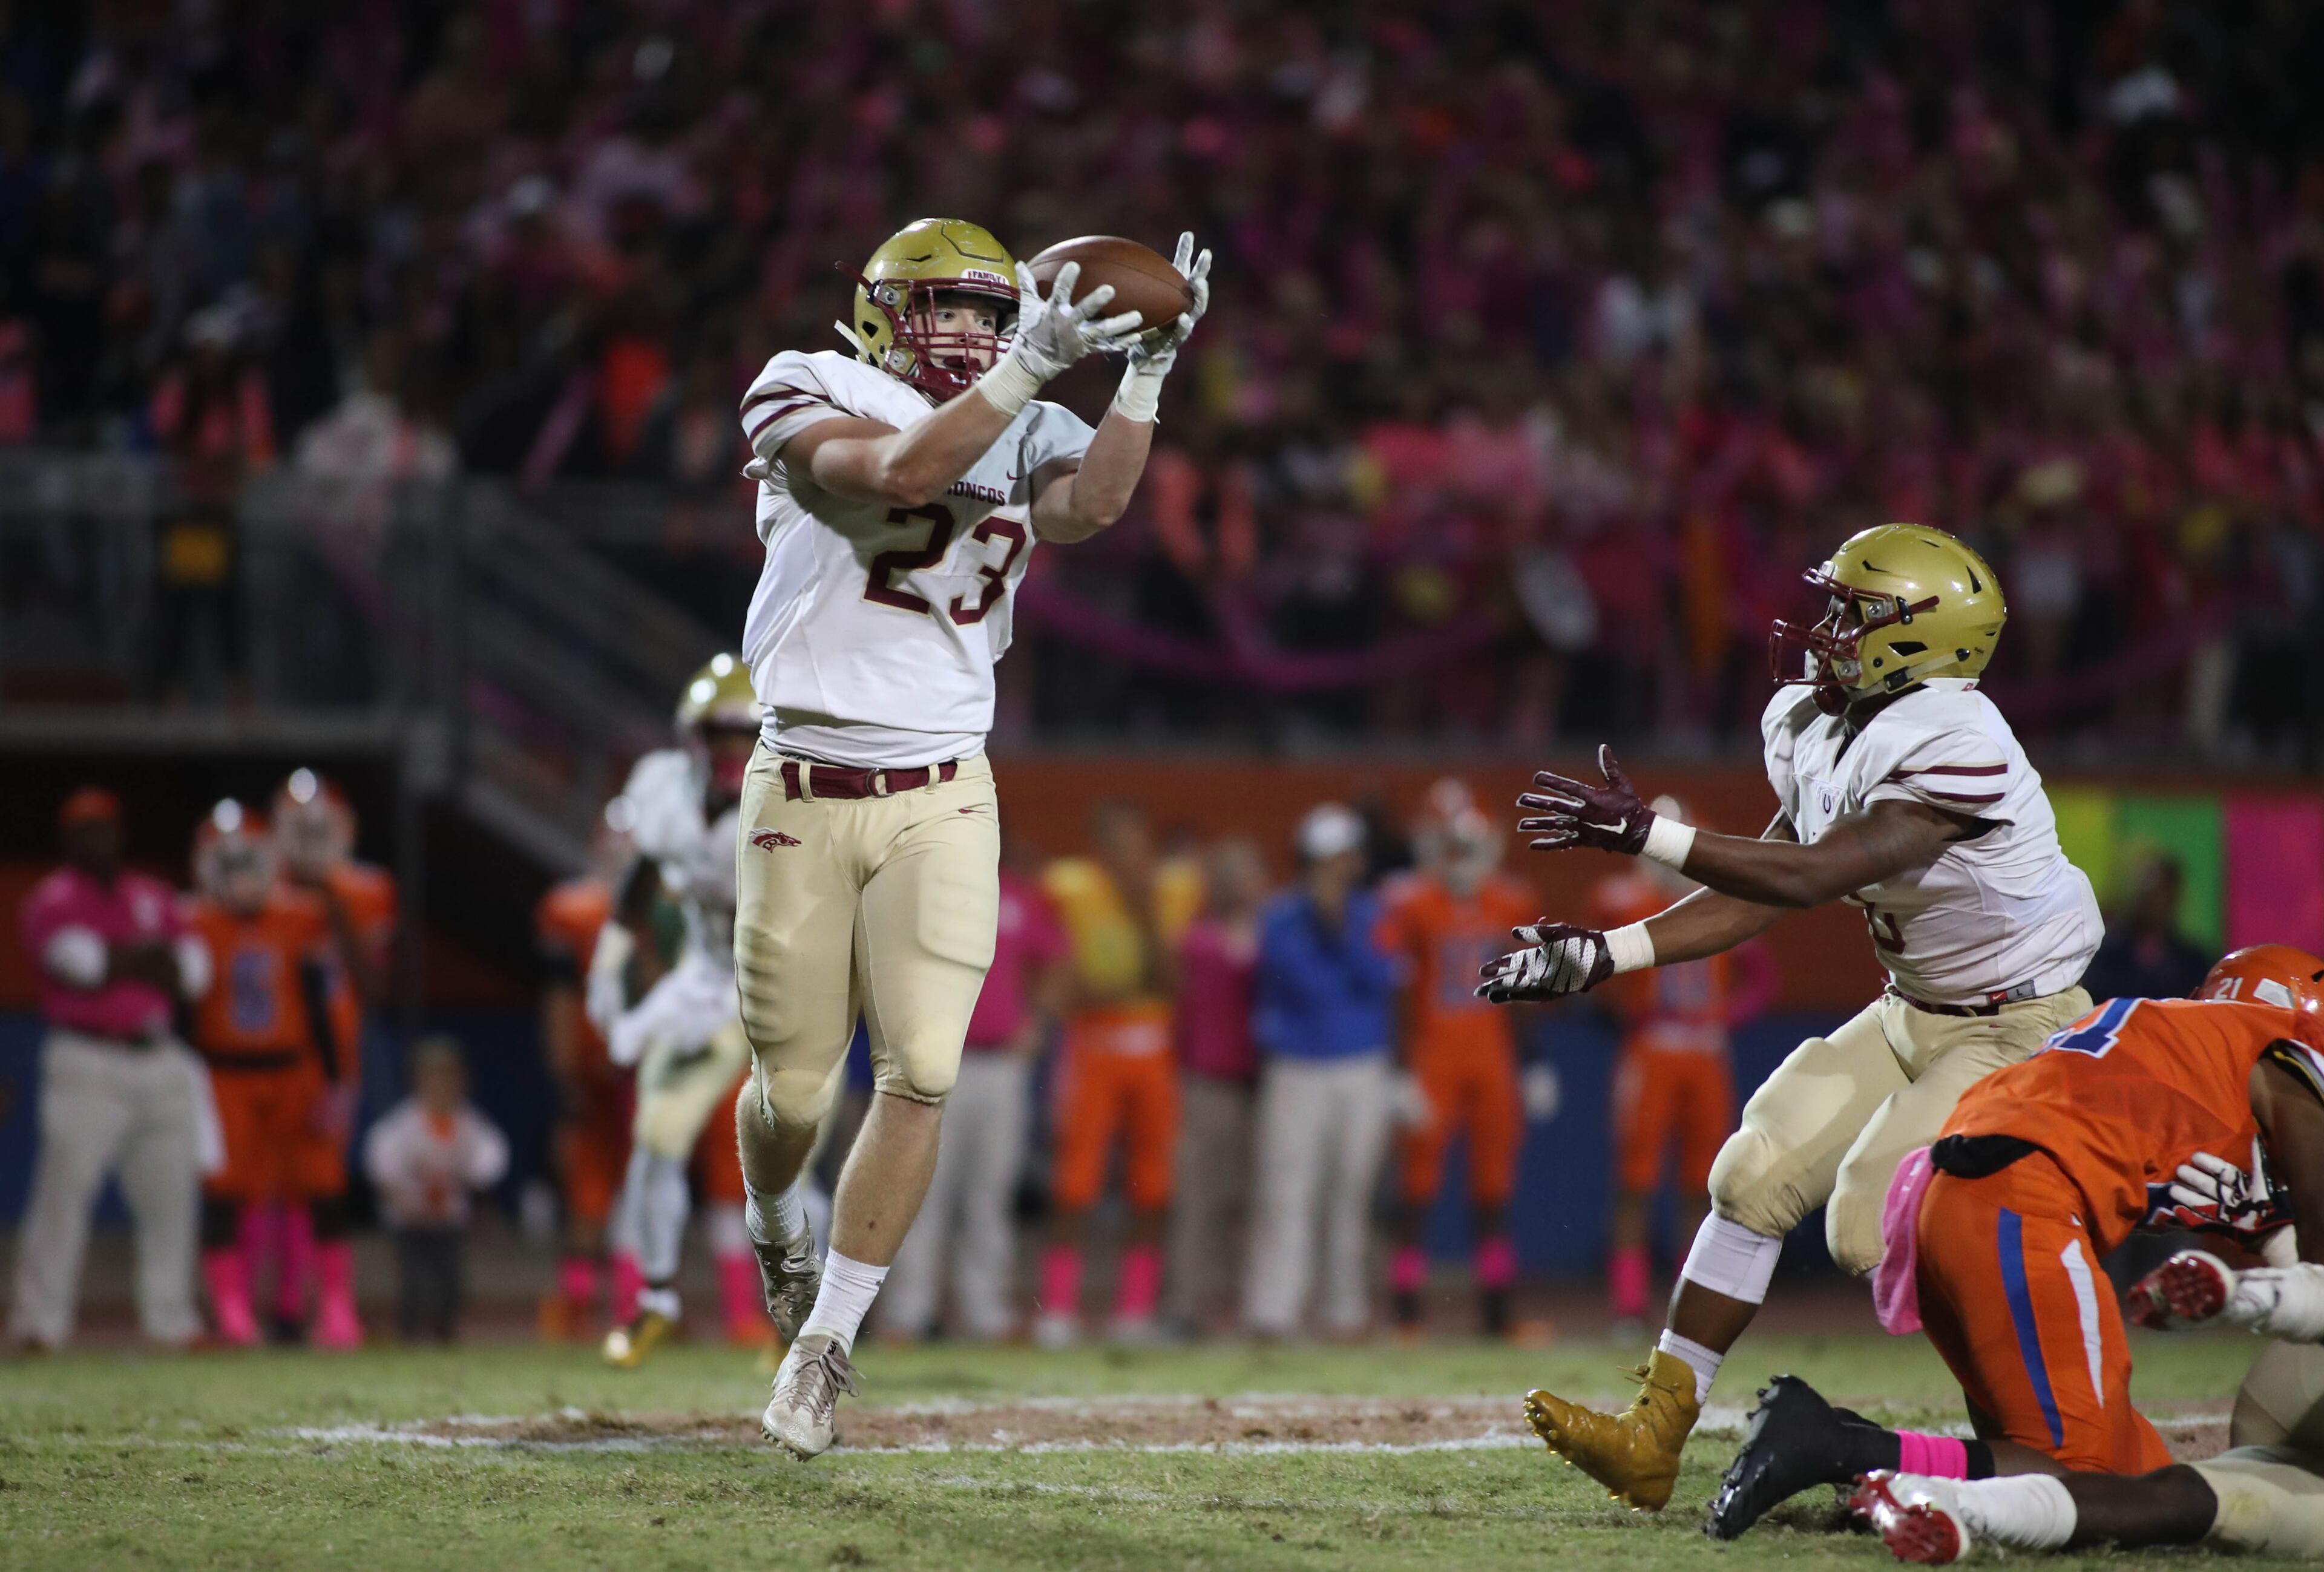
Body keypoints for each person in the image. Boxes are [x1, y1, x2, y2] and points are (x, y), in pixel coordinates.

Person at [1482, 523, 2099, 1511]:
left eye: (1852, 612)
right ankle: (1654, 1434)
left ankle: (2029, 1442)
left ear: (1919, 637)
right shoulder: (1819, 719)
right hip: (1916, 1007)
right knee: (1754, 1169)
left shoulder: (1958, 741)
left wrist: (1649, 832)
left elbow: (1821, 875)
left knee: (1870, 1220)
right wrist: (1609, 952)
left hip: (2018, 1020)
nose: (1825, 629)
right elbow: (1763, 882)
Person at [729, 216, 1207, 1456]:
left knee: (922, 1071)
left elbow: (1091, 506)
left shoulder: (1029, 400)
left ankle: (825, 1349)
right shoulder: (804, 383)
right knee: (787, 1092)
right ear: (884, 311)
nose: (975, 332)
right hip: (803, 782)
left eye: (992, 312)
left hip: (946, 786)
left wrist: (1146, 372)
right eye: (946, 307)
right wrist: (1029, 371)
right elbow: (896, 475)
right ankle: (775, 1214)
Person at [1707, 945, 2324, 1536]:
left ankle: (1885, 1471)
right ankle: (1835, 1445)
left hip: (1955, 1194)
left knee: (2141, 1479)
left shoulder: (2184, 1057)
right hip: (2019, 1198)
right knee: (2084, 1474)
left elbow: (2282, 1248)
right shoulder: (2276, 1055)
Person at [595, 655, 762, 1366]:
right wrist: (618, 967)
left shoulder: (798, 794)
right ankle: (656, 1296)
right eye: (716, 733)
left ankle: (802, 1312)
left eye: (742, 734)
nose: (729, 750)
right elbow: (640, 885)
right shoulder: (664, 792)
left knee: (782, 1163)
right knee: (656, 1138)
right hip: (703, 980)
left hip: (781, 988)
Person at [9, 787, 210, 1351]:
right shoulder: (52, 899)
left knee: (173, 1195)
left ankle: (173, 1321)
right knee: (63, 1194)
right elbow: (83, 967)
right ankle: (39, 1324)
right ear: (68, 839)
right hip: (87, 1059)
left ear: (119, 833)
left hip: (159, 1054)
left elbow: (192, 975)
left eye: (104, 827)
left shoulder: (150, 893)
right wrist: (142, 957)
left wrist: (125, 958)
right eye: (83, 829)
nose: (96, 838)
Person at [1591, 797, 1777, 1333]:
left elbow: (1762, 978)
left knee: (1703, 1184)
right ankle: (1628, 1307)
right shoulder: (1627, 900)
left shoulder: (1721, 902)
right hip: (1651, 1051)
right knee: (1636, 1182)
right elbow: (1598, 978)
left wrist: (1725, 1013)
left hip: (1705, 1052)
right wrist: (1630, 1009)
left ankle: (1685, 1304)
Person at [182, 800, 358, 1347]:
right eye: (226, 865)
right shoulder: (193, 921)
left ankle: (334, 1306)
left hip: (293, 1068)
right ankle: (233, 1312)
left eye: (246, 863)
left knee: (322, 1185)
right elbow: (185, 1013)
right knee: (225, 1192)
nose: (238, 877)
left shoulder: (299, 913)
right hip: (224, 1074)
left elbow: (314, 1002)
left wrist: (331, 1078)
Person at [881, 833, 1069, 1342]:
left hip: (1000, 1063)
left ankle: (985, 1308)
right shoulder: (919, 894)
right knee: (922, 1191)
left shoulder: (1018, 897)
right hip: (935, 1063)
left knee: (991, 1190)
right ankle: (909, 1311)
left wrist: (1039, 1023)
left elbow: (1056, 959)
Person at [1036, 801, 1203, 1346]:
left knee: (1153, 1183)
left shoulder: (1171, 893)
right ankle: (1058, 1307)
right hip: (1093, 1047)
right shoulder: (1073, 888)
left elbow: (1171, 983)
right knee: (1075, 1181)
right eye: (1114, 845)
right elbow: (1062, 985)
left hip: (1152, 1049)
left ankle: (1135, 1308)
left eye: (1134, 844)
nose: (1126, 856)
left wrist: (1145, 912)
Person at [1377, 796, 1542, 1338]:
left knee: (1494, 1192)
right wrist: (1401, 1070)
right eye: (1452, 847)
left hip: (1490, 1057)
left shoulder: (1512, 900)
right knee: (1417, 1193)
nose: (1461, 858)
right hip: (1434, 1057)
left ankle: (1498, 1314)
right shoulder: (1411, 903)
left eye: (1469, 846)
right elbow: (1398, 992)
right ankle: (1406, 1314)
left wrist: (1533, 1060)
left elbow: (1525, 989)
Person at [1242, 803, 1401, 1338]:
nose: (1336, 868)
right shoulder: (1280, 915)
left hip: (1361, 1065)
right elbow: (1296, 983)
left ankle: (1345, 1311)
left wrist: (1338, 926)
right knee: (1287, 1192)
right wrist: (1325, 921)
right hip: (1297, 1067)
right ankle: (1274, 1310)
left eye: (1344, 858)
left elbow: (1380, 978)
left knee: (1351, 1192)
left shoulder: (1376, 914)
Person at [268, 768, 393, 1344]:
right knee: (260, 1183)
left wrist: (330, 900)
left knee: (321, 1179)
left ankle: (330, 1304)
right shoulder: (257, 885)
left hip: (330, 1055)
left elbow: (373, 987)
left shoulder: (363, 890)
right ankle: (279, 1302)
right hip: (264, 1052)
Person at [1164, 835, 1269, 1334]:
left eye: (1247, 875)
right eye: (1230, 876)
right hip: (1210, 1082)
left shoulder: (1273, 933)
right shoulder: (1200, 940)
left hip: (1265, 1083)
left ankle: (1251, 1304)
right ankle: (1188, 1305)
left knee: (1254, 1202)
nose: (1240, 886)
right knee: (1202, 1200)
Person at [533, 845, 634, 1340]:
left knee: (642, 1190)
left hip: (642, 1066)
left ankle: (634, 1303)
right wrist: (564, 1071)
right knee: (588, 1192)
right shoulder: (574, 912)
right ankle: (581, 1304)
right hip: (594, 1069)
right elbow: (559, 997)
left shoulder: (665, 904)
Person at [362, 1036, 508, 1343]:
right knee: (414, 1282)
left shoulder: (470, 1124)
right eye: (433, 1076)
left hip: (448, 1221)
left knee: (451, 1283)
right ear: (418, 1080)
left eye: (449, 1076)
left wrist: (464, 1183)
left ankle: (444, 1332)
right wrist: (400, 1195)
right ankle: (411, 1334)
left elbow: (490, 1161)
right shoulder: (404, 1124)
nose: (442, 1085)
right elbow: (382, 1163)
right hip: (411, 1221)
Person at [2081, 854, 2214, 1003]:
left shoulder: (2194, 964)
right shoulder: (2104, 957)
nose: (2154, 901)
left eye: (2162, 893)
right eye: (2148, 891)